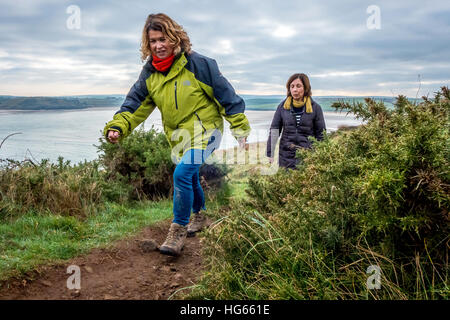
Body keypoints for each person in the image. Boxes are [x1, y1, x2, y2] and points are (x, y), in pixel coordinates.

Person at [104, 13, 250, 256]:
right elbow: (134, 105)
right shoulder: (150, 74)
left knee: (182, 172)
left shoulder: (199, 65)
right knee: (189, 176)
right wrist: (118, 126)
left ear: (174, 38)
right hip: (179, 137)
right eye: (153, 41)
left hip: (207, 132)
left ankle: (178, 229)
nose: (158, 46)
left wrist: (240, 130)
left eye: (163, 39)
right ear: (147, 44)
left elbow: (227, 97)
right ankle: (200, 216)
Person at [266, 73, 326, 169]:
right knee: (286, 183)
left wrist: (321, 155)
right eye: (292, 86)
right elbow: (275, 129)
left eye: (298, 86)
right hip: (286, 156)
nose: (295, 90)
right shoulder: (282, 107)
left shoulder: (316, 108)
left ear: (305, 88)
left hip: (308, 156)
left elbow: (321, 134)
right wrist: (270, 153)